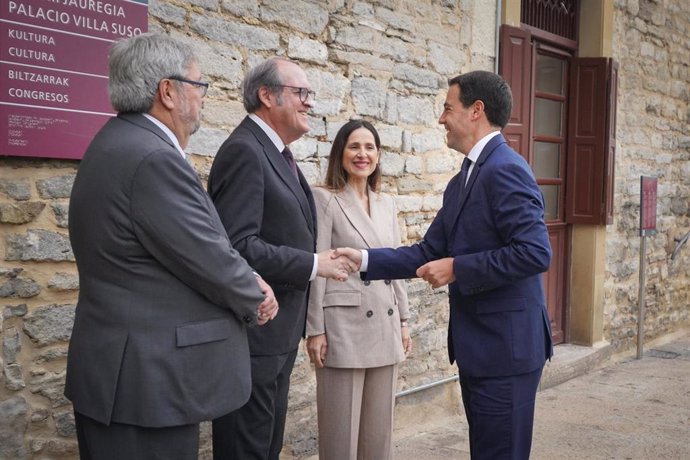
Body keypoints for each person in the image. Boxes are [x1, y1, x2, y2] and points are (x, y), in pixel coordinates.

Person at [65, 33, 278, 460]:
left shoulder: (119, 141)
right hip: (145, 383)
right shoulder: (152, 157)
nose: (201, 98)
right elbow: (206, 255)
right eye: (198, 86)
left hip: (125, 374)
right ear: (168, 91)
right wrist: (255, 292)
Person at [336, 71, 553, 459]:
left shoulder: (506, 168)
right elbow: (427, 251)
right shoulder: (462, 180)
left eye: (447, 108)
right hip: (480, 349)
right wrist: (364, 259)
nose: (441, 119)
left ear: (476, 111)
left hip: (507, 351)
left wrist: (458, 268)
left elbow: (535, 252)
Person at [208, 57, 355, 459]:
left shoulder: (276, 152)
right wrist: (313, 264)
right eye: (301, 93)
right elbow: (237, 246)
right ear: (266, 96)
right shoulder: (244, 150)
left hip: (277, 337)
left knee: (265, 446)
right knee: (247, 448)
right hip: (253, 337)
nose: (309, 103)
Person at [306, 120, 412, 459]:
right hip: (343, 327)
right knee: (340, 435)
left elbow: (396, 266)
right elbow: (318, 268)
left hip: (385, 321)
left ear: (379, 156)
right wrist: (315, 330)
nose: (362, 154)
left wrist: (405, 320)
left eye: (369, 148)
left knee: (378, 436)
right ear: (341, 153)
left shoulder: (387, 204)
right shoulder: (324, 199)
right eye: (354, 146)